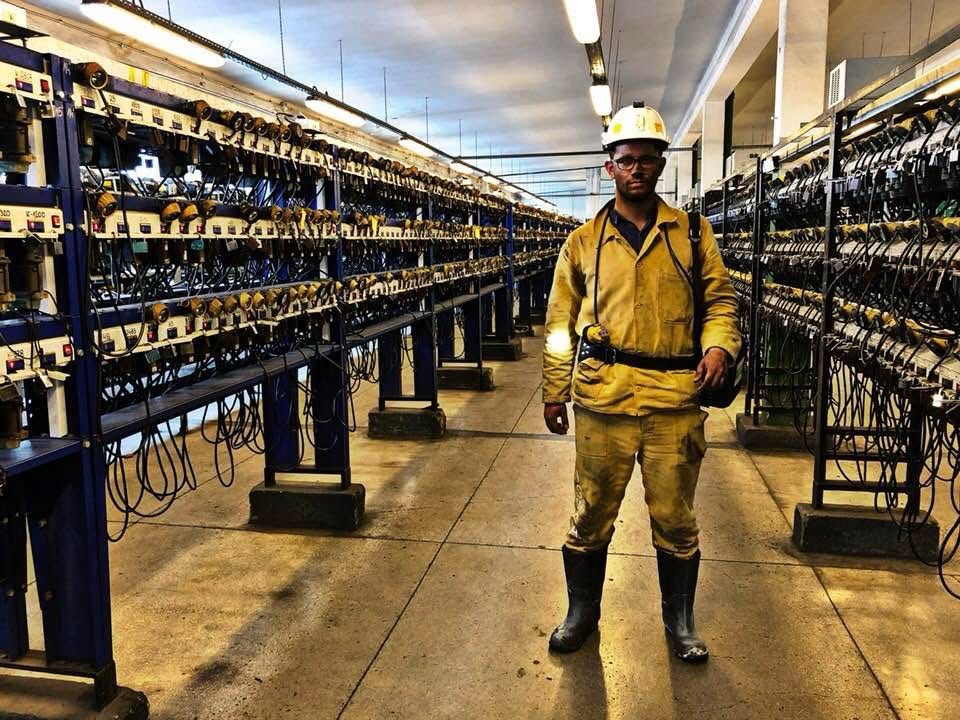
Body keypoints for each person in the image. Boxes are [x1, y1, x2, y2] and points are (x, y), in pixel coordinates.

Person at [542, 102, 740, 662]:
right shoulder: (582, 242)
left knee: (675, 518)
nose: (637, 169)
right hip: (602, 398)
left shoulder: (693, 234)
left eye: (647, 159)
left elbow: (720, 301)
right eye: (626, 160)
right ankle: (582, 613)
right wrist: (554, 390)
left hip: (673, 399)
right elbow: (558, 325)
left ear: (661, 164)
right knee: (591, 514)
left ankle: (680, 622)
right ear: (610, 166)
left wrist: (719, 346)